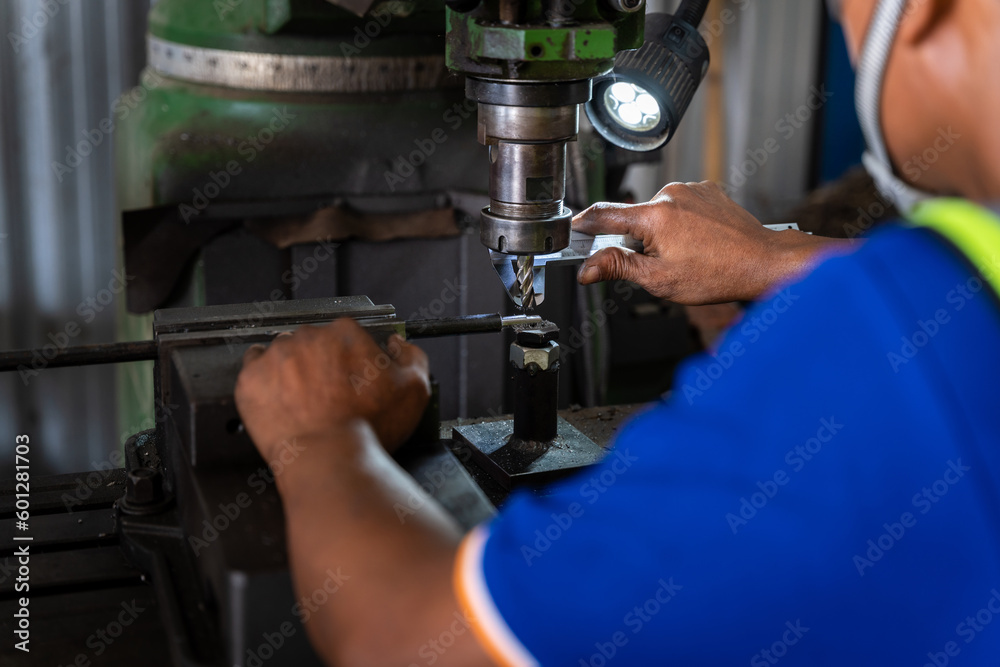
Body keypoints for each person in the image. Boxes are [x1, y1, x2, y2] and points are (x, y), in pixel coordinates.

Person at [233, 0, 1000, 664]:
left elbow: (406, 641)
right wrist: (780, 257)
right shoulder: (936, 308)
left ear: (923, 9)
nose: (845, 23)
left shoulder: (879, 359)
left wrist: (321, 433)